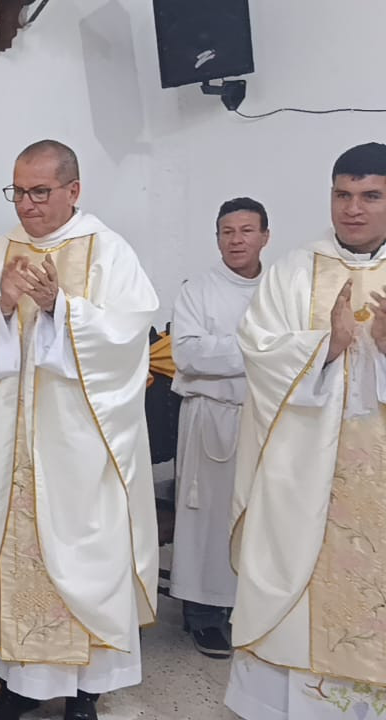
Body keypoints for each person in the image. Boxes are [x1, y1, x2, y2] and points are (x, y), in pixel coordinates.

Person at [0, 140, 159, 720]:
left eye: (40, 191)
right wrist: (0, 305)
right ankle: (19, 683)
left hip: (80, 450)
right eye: (18, 191)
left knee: (84, 558)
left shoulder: (109, 251)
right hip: (9, 447)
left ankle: (85, 690)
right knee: (17, 557)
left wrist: (60, 310)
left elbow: (127, 341)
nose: (27, 204)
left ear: (74, 190)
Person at [226, 142, 386, 720]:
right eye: (343, 194)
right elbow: (258, 350)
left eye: (371, 196)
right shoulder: (295, 270)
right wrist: (325, 347)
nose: (353, 208)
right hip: (302, 474)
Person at [169, 197, 270, 659]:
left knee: (256, 517)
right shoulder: (199, 289)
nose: (236, 240)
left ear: (265, 236)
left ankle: (247, 610)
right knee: (208, 520)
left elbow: (295, 349)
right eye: (227, 232)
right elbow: (188, 354)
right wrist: (258, 348)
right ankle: (204, 614)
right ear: (217, 239)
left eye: (246, 231)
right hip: (210, 418)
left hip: (263, 418)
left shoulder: (280, 288)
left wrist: (241, 351)